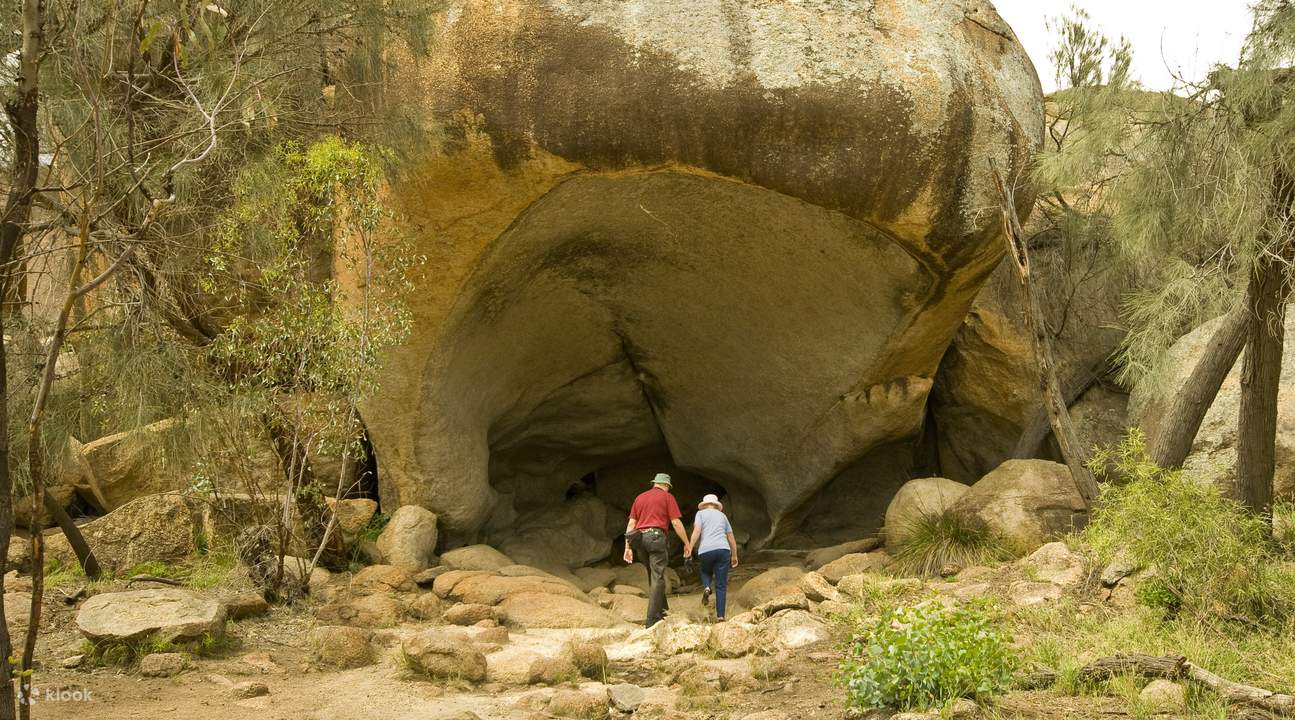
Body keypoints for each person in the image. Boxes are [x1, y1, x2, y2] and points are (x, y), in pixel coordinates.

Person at [623, 473, 692, 627]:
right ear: (666, 486)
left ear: (655, 483)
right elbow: (675, 522)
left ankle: (662, 611)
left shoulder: (639, 498)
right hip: (656, 537)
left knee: (653, 576)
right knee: (658, 577)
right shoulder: (667, 497)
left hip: (639, 540)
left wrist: (627, 547)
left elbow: (631, 524)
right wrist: (687, 543)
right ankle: (652, 620)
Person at [689, 493, 739, 621]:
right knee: (721, 586)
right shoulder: (723, 516)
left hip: (706, 550)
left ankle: (706, 586)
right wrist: (734, 554)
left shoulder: (700, 514)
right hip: (723, 550)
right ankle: (721, 616)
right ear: (716, 505)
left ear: (704, 505)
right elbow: (730, 537)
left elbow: (697, 531)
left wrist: (689, 547)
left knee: (705, 571)